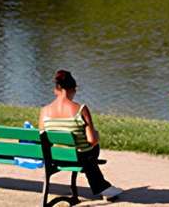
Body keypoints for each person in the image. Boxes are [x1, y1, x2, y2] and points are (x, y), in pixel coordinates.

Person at [40, 70, 122, 200]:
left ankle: (103, 188)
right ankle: (103, 188)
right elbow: (91, 140)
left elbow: (43, 139)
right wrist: (97, 135)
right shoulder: (81, 109)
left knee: (85, 154)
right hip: (80, 157)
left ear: (56, 89)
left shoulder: (44, 111)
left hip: (55, 157)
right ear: (73, 89)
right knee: (91, 150)